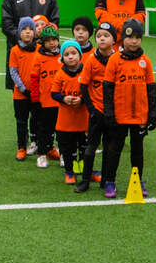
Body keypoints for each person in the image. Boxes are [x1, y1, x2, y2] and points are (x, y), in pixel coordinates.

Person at [101, 18, 156, 199]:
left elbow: (151, 89)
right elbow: (107, 89)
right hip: (119, 115)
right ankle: (110, 181)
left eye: (137, 38)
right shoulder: (114, 60)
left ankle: (138, 181)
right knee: (115, 149)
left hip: (139, 116)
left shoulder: (145, 61)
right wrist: (109, 112)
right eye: (130, 37)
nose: (134, 41)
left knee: (137, 150)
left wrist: (152, 113)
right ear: (122, 39)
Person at [0, 0, 59, 91]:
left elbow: (54, 21)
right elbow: (6, 25)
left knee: (44, 89)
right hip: (20, 52)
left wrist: (44, 37)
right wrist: (25, 38)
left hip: (43, 51)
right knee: (21, 91)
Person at [77, 20, 115, 191]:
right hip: (97, 112)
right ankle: (85, 180)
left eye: (106, 36)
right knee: (90, 147)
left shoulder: (118, 60)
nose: (102, 39)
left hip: (112, 113)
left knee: (109, 147)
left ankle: (105, 180)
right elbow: (84, 86)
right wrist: (91, 109)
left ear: (114, 40)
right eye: (99, 36)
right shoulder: (91, 60)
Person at [51, 39, 89, 187]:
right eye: (66, 54)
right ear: (62, 58)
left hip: (83, 118)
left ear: (80, 55)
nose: (71, 57)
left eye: (74, 53)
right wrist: (63, 99)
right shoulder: (60, 74)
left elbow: (91, 91)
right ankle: (69, 172)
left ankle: (85, 170)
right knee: (67, 148)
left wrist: (82, 100)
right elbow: (54, 93)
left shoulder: (86, 72)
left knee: (84, 146)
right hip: (65, 120)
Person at [31, 23, 63, 169]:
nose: (52, 43)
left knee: (61, 131)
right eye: (48, 40)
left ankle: (63, 155)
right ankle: (42, 155)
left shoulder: (62, 56)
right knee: (44, 129)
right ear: (42, 42)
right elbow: (34, 79)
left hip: (61, 101)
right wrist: (35, 99)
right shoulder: (39, 57)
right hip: (45, 102)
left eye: (54, 39)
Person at [7, 17, 39, 161]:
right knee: (21, 122)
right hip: (20, 95)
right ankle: (21, 148)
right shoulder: (14, 50)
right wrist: (23, 89)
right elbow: (13, 72)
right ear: (19, 32)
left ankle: (38, 145)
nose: (28, 32)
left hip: (36, 94)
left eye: (31, 29)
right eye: (24, 29)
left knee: (37, 120)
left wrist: (36, 89)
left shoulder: (40, 49)